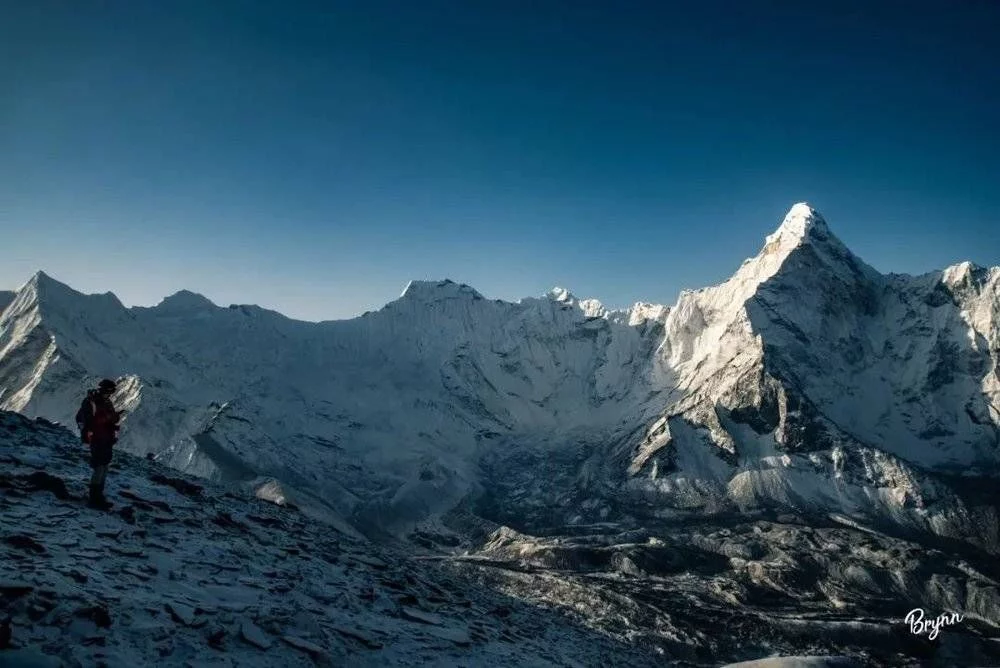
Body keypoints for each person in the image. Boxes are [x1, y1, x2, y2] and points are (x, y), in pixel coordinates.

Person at [75, 379, 124, 509]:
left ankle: (99, 496)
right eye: (109, 391)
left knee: (105, 466)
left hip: (106, 439)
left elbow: (109, 418)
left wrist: (114, 417)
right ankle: (94, 498)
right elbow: (92, 421)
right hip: (97, 439)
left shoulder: (105, 402)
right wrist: (110, 418)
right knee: (99, 467)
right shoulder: (91, 402)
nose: (110, 394)